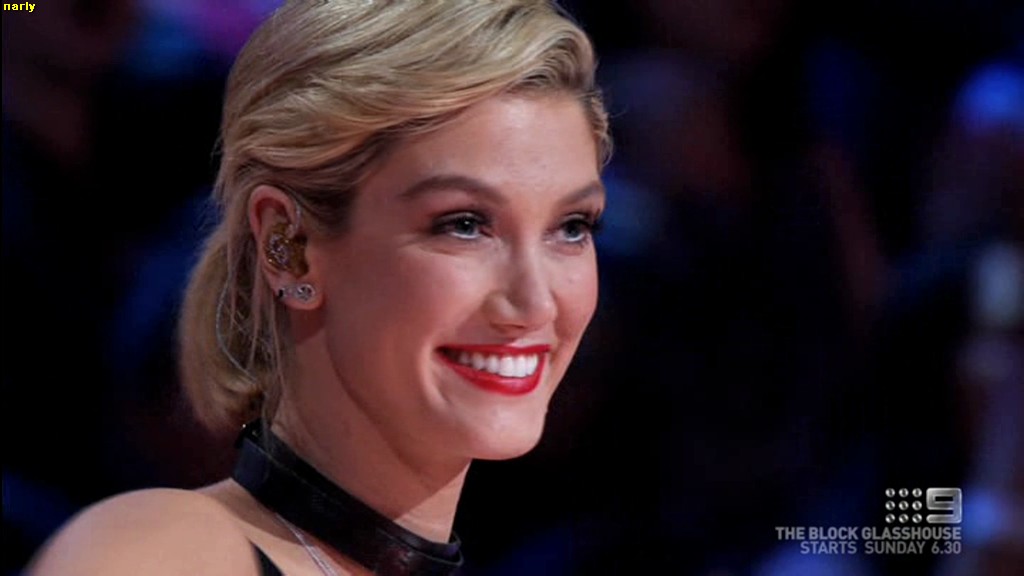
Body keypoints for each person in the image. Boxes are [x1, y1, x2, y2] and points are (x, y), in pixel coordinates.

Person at [25, 1, 611, 575]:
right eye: (463, 224)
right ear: (291, 249)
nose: (536, 303)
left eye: (571, 228)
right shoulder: (164, 557)